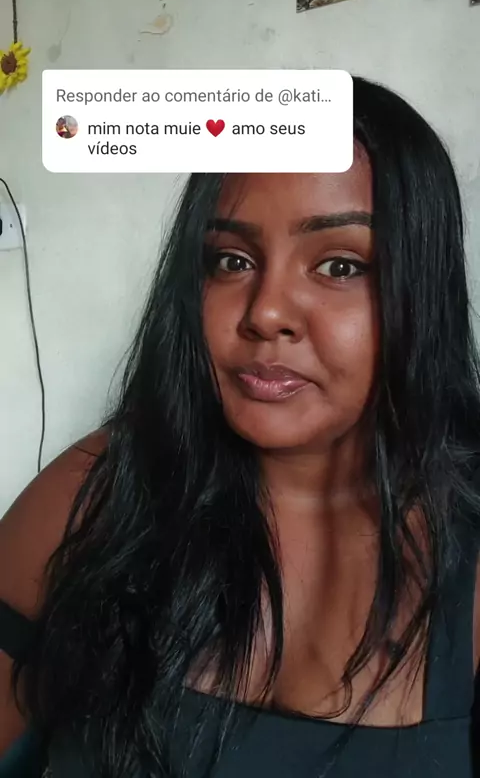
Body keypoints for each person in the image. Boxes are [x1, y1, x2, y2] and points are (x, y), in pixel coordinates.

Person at [1, 76, 480, 778]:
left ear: (421, 288)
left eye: (340, 265)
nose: (265, 312)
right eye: (232, 261)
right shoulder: (90, 497)